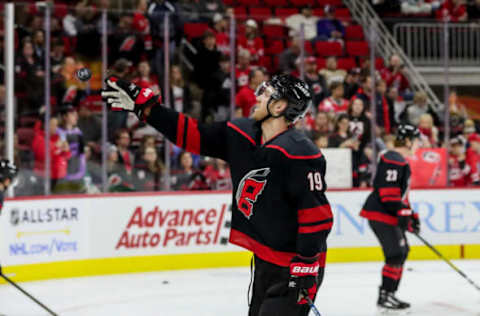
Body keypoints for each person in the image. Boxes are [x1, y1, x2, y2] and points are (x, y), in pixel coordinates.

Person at [102, 74, 333, 316]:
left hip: (295, 264)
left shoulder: (300, 153)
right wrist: (148, 109)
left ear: (278, 106)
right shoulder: (241, 133)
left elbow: (317, 216)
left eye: (265, 94)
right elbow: (192, 134)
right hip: (265, 258)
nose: (257, 96)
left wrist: (306, 265)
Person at [359, 124, 421, 313]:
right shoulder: (394, 159)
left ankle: (389, 294)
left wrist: (411, 214)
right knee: (395, 253)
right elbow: (388, 194)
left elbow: (400, 197)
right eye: (417, 141)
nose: (418, 145)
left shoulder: (398, 159)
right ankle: (385, 296)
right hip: (381, 214)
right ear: (408, 141)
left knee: (401, 252)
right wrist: (403, 213)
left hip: (387, 214)